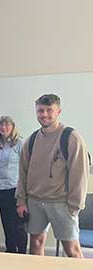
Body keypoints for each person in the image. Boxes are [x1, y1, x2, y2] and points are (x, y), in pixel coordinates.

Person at [16, 94, 89, 258]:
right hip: (34, 202)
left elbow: (80, 174)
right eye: (40, 110)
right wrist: (21, 200)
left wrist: (75, 206)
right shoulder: (31, 140)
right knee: (35, 244)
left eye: (50, 110)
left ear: (58, 111)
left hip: (62, 203)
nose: (45, 114)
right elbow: (23, 173)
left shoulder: (71, 137)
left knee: (72, 250)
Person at [0, 116, 27, 253]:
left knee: (18, 225)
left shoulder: (20, 143)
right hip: (0, 188)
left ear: (13, 126)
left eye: (7, 124)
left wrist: (23, 191)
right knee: (6, 223)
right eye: (0, 125)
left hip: (16, 188)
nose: (4, 127)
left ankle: (22, 253)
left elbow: (26, 168)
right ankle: (10, 251)